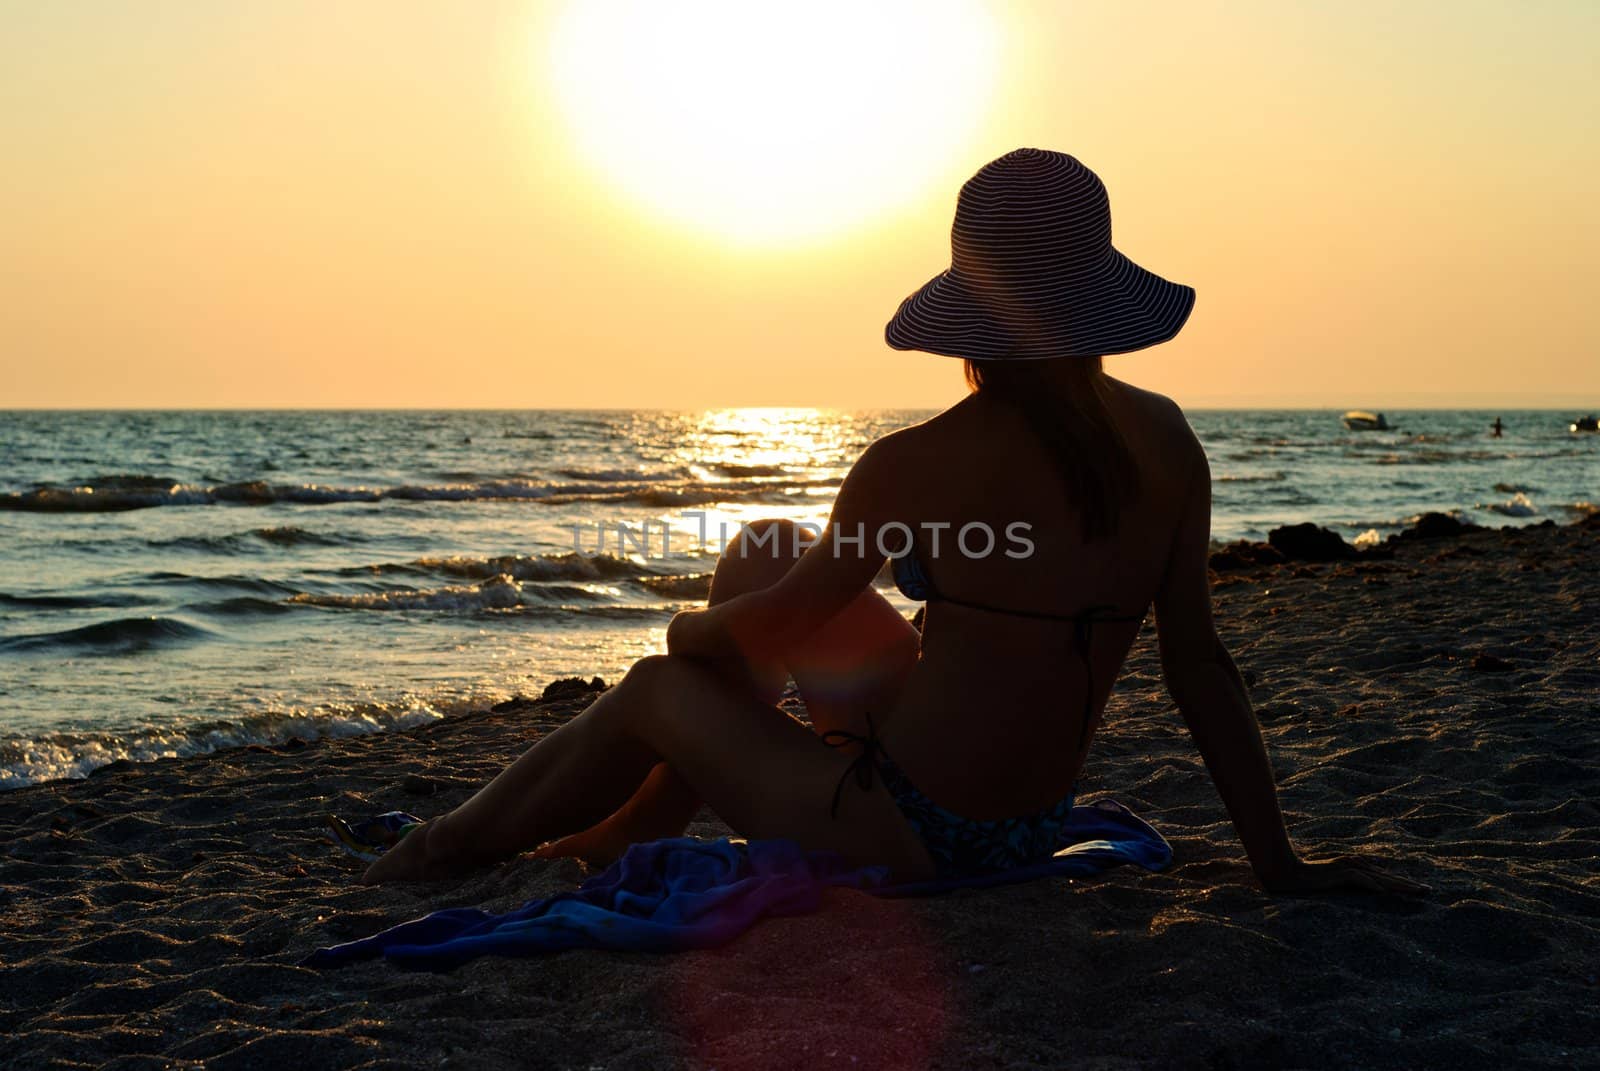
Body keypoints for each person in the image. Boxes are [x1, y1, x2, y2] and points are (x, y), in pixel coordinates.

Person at [363, 149, 1426, 897]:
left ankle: (436, 853)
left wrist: (681, 638)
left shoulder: (913, 463)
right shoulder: (1164, 439)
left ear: (974, 311)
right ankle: (633, 824)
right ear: (1094, 302)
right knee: (763, 548)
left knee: (657, 687)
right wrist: (1275, 860)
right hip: (1024, 824)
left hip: (909, 829)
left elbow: (764, 635)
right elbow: (1202, 668)